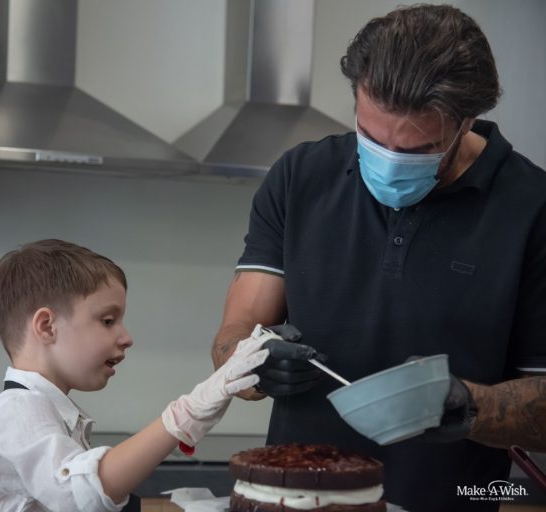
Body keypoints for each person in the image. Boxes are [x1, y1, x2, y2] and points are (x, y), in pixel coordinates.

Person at [211, 4, 546, 511]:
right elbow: (231, 337)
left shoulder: (532, 209)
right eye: (371, 138)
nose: (388, 163)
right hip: (294, 498)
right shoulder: (300, 177)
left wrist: (471, 404)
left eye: (418, 149)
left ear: (466, 121)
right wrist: (254, 363)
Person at [0, 239, 272, 511]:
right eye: (108, 321)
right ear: (47, 326)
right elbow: (79, 496)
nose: (126, 338)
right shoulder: (17, 411)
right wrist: (187, 414)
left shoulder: (44, 411)